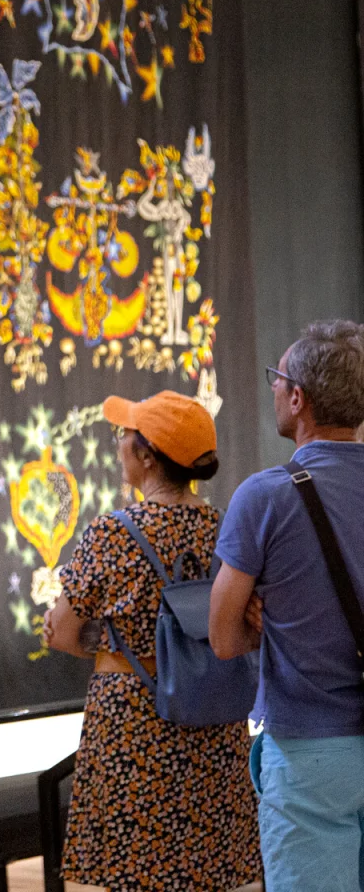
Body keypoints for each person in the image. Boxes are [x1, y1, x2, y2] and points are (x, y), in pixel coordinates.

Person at [44, 390, 260, 892]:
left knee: (132, 869)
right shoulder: (226, 527)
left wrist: (109, 640)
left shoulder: (111, 534)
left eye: (125, 434)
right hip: (215, 713)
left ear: (146, 456)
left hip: (132, 721)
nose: (117, 442)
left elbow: (61, 632)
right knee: (209, 867)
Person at [210, 320, 364, 892]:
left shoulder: (266, 496)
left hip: (310, 753)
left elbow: (223, 639)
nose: (273, 388)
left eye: (277, 380)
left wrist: (264, 623)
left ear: (298, 398)